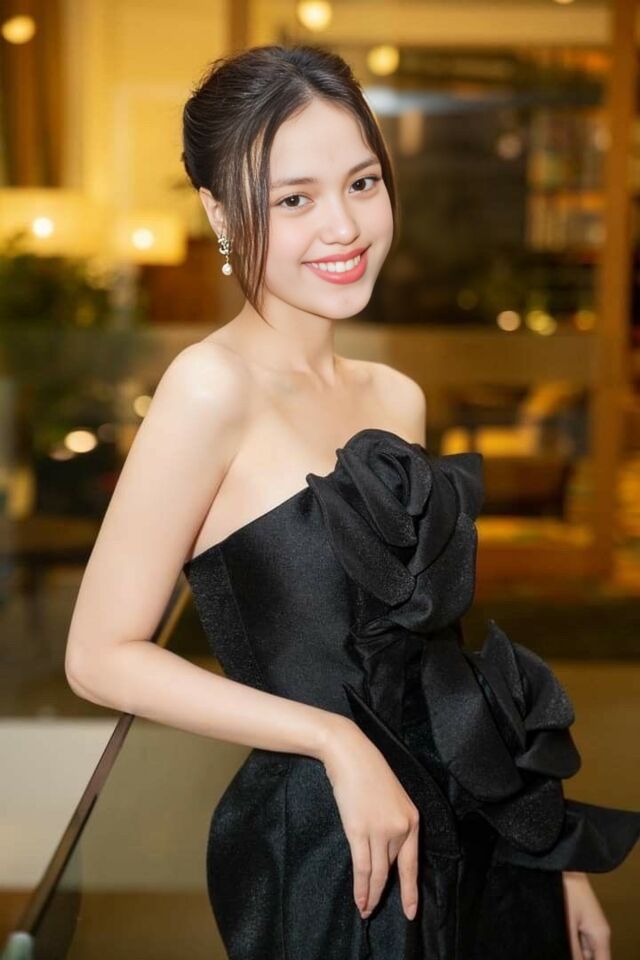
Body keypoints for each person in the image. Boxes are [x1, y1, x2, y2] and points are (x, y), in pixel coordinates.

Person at [65, 44, 639, 960]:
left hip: (469, 825)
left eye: (362, 183)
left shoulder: (395, 396)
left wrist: (547, 847)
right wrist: (335, 741)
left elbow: (439, 660)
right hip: (339, 845)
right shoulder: (209, 388)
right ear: (221, 213)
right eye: (294, 199)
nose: (344, 226)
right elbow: (98, 656)